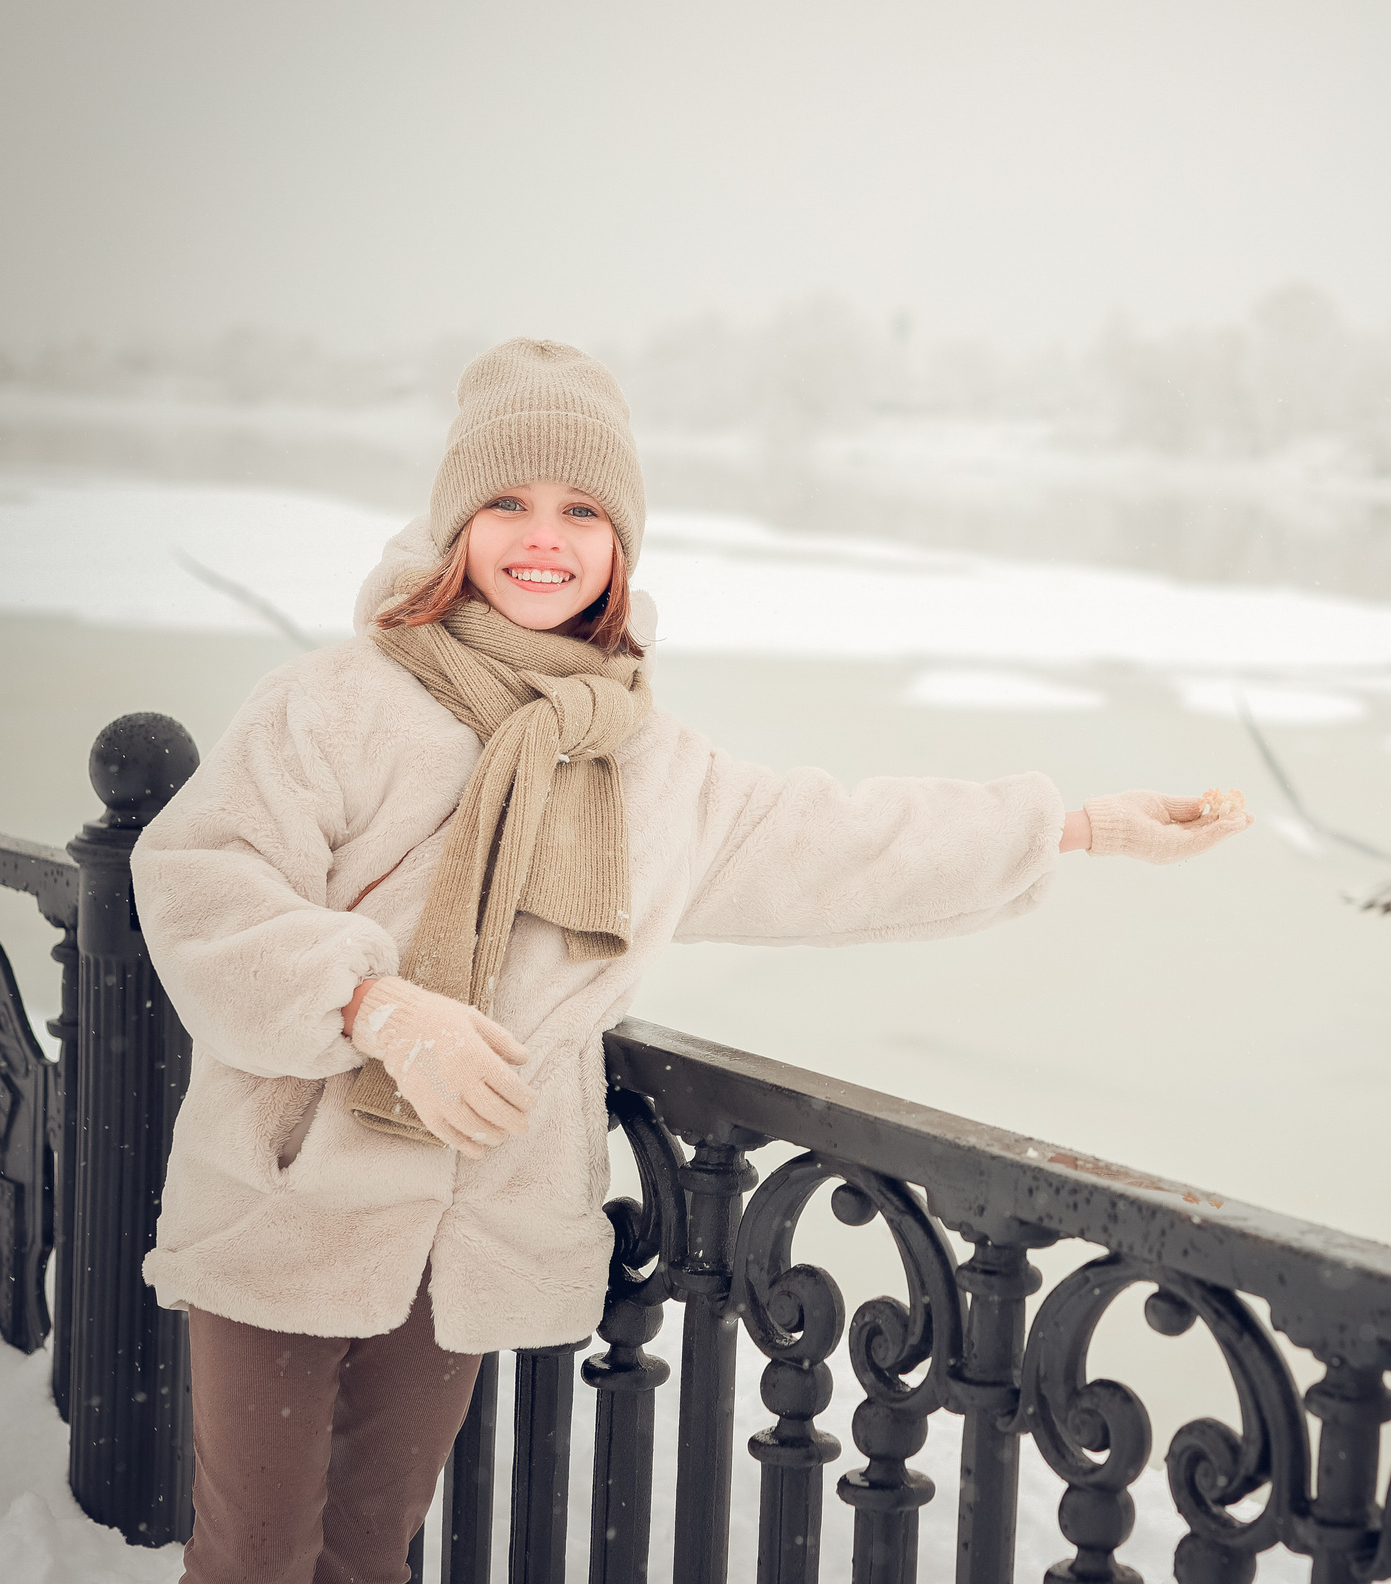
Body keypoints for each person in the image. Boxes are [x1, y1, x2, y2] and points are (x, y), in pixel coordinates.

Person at [130, 337, 1250, 1583]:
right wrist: (379, 1006)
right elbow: (202, 882)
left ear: (620, 546)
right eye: (504, 502)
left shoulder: (652, 769)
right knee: (253, 1558)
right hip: (292, 1197)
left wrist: (1074, 825)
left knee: (368, 1554)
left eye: (580, 510)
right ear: (454, 525)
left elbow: (851, 842)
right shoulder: (336, 701)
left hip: (471, 1219)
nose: (540, 536)